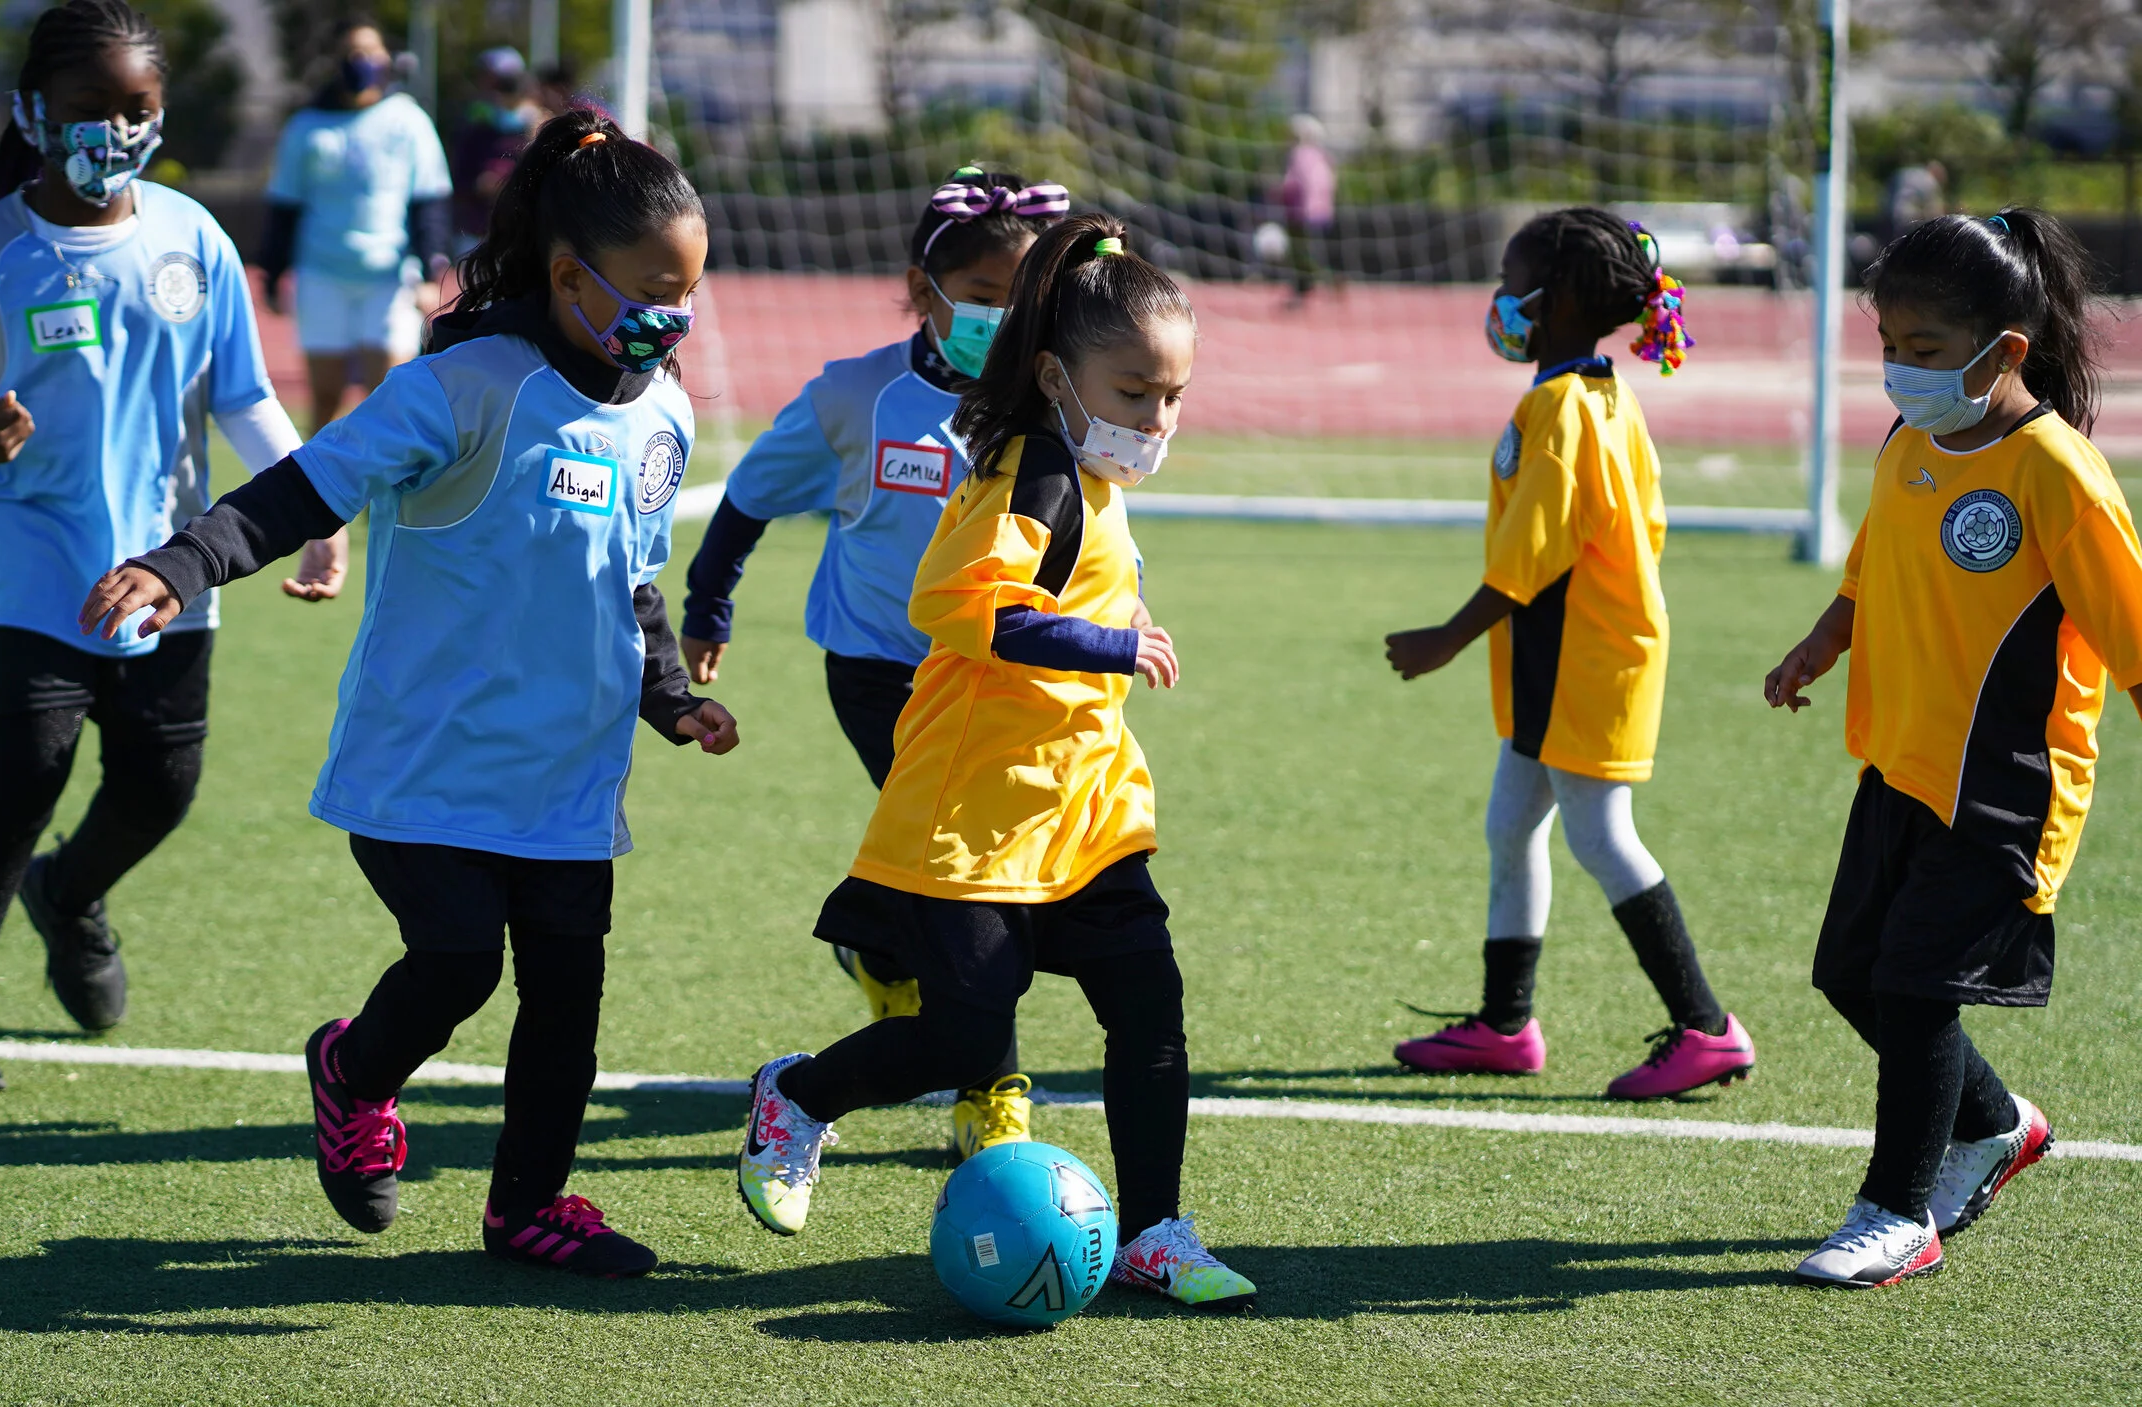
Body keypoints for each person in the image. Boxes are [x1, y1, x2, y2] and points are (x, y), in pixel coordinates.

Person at [79, 109, 736, 1279]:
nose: (671, 317)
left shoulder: (667, 414)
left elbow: (631, 578)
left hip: (567, 779)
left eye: (687, 291)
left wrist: (670, 696)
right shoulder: (462, 385)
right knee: (457, 962)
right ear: (567, 275)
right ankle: (352, 1071)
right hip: (422, 763)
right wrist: (181, 565)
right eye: (650, 288)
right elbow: (302, 489)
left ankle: (527, 1209)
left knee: (565, 1011)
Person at [734, 213, 1259, 1313]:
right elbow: (957, 606)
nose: (1156, 420)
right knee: (965, 1033)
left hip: (1083, 801)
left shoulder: (1091, 474)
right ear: (1060, 375)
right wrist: (1104, 641)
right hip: (973, 803)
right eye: (1133, 394)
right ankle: (800, 1094)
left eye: (1172, 396)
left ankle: (1154, 1231)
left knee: (1148, 1007)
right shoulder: (1030, 471)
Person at [0, 0, 344, 1096]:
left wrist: (314, 510)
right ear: (32, 111)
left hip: (172, 571)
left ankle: (68, 894)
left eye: (137, 108)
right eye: (88, 108)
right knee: (27, 767)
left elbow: (245, 396)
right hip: (30, 562)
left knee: (161, 787)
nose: (115, 129)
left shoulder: (192, 240)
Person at [1764, 209, 2125, 1288]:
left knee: (1917, 986)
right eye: (1887, 346)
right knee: (1851, 975)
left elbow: (2131, 634)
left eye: (1922, 352)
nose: (1897, 372)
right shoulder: (1909, 442)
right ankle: (1996, 1122)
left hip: (2008, 782)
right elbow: (1870, 574)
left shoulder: (2053, 472)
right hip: (1900, 762)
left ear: (2004, 351)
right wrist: (1817, 646)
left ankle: (1895, 1211)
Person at [680, 166, 1068, 1160]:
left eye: (1019, 300)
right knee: (972, 879)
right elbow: (753, 494)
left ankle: (877, 942)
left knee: (965, 873)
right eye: (980, 298)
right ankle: (993, 1085)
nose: (1001, 318)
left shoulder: (1057, 396)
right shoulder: (858, 396)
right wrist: (707, 602)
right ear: (922, 289)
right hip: (878, 673)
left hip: (1001, 673)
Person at [1383, 208, 1755, 1101]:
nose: (1500, 302)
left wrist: (1446, 638)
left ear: (1551, 306)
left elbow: (1530, 555)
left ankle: (1708, 1026)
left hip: (1585, 660)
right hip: (1569, 655)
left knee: (1600, 834)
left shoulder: (1556, 409)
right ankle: (1505, 1024)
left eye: (1512, 286)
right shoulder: (1603, 395)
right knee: (1513, 824)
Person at [260, 16, 453, 431]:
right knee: (325, 397)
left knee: (386, 395)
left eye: (369, 51)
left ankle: (384, 496)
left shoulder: (407, 119)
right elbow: (284, 206)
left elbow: (429, 200)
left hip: (387, 277)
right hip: (322, 274)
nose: (360, 61)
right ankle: (318, 494)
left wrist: (428, 270)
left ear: (387, 59)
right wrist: (274, 274)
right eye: (351, 53)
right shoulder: (307, 126)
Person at [450, 46, 542, 251]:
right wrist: (479, 185)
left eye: (506, 83)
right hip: (477, 233)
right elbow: (458, 179)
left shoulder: (538, 128)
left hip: (521, 234)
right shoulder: (473, 127)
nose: (497, 90)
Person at [1274, 113, 1336, 300]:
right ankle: (1323, 282)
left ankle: (1309, 286)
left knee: (1301, 254)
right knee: (1314, 251)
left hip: (1302, 212)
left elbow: (1294, 183)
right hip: (1323, 211)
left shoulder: (1299, 154)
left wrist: (1277, 191)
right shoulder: (1322, 155)